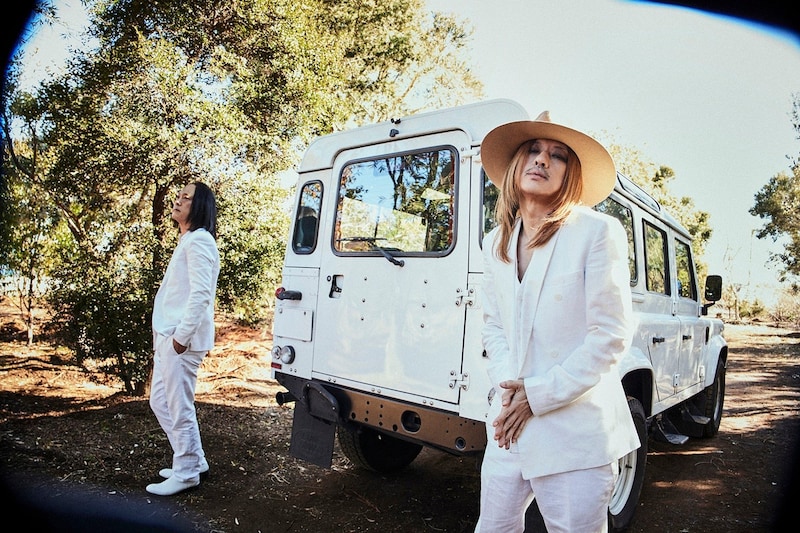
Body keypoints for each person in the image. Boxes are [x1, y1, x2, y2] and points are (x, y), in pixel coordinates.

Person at [475, 112, 640, 532]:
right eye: (533, 150)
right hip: (508, 426)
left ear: (570, 174)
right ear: (516, 164)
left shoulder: (597, 232)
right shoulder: (494, 242)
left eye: (558, 155)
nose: (542, 160)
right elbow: (494, 326)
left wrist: (537, 396)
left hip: (575, 435)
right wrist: (510, 392)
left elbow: (610, 335)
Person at [147, 181, 220, 496]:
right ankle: (194, 460)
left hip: (181, 340)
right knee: (160, 401)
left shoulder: (200, 240)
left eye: (185, 197)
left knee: (178, 406)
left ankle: (187, 472)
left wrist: (181, 337)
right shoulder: (188, 240)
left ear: (199, 206)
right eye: (178, 196)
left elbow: (201, 294)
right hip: (170, 336)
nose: (177, 201)